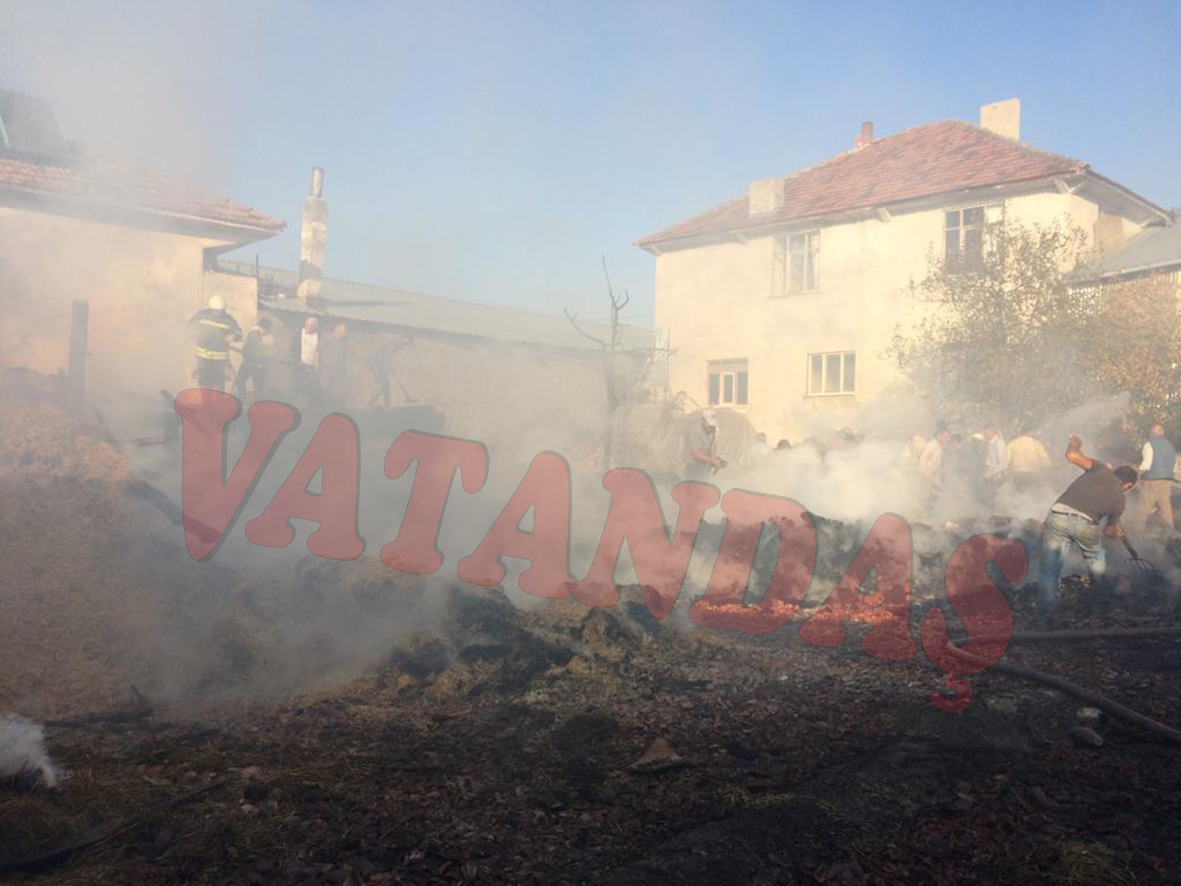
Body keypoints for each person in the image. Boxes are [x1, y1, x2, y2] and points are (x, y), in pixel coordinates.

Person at [1036, 435, 1138, 623]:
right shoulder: (1120, 500)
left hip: (1057, 515)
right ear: (1129, 485)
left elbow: (1072, 456)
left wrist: (1074, 444)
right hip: (1085, 524)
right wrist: (1118, 532)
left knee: (1049, 571)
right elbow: (1109, 532)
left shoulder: (1100, 468)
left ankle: (1044, 617)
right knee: (1096, 563)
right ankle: (1099, 606)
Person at [189, 295, 242, 395]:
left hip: (220, 359)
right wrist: (195, 334)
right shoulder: (201, 315)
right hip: (203, 357)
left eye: (220, 311)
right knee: (204, 383)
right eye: (215, 311)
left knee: (218, 383)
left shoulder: (229, 319)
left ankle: (217, 406)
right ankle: (206, 406)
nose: (218, 313)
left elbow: (239, 333)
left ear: (224, 310)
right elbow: (189, 327)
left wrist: (233, 336)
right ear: (210, 308)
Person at [1131, 423, 1177, 533]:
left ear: (1152, 432)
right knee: (1165, 508)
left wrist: (1135, 477)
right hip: (1167, 480)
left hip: (1152, 480)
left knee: (1144, 507)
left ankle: (1138, 532)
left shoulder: (1149, 444)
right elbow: (1174, 466)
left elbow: (1146, 465)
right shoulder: (1170, 445)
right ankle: (1170, 532)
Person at [235, 317, 275, 400]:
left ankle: (255, 404)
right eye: (262, 329)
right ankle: (242, 400)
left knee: (257, 386)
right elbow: (250, 348)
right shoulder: (254, 333)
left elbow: (270, 352)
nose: (263, 331)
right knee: (241, 381)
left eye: (265, 330)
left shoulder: (268, 337)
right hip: (250, 362)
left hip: (257, 364)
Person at [318, 322, 350, 406]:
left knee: (337, 393)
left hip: (339, 371)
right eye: (343, 331)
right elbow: (318, 352)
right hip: (325, 370)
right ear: (337, 330)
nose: (344, 334)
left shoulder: (345, 342)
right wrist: (316, 365)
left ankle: (332, 410)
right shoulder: (326, 337)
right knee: (323, 390)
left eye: (345, 332)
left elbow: (345, 357)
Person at [687, 410, 724, 480]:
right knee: (695, 485)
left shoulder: (713, 428)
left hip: (706, 462)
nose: (711, 427)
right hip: (692, 464)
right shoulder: (695, 431)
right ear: (703, 421)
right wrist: (712, 460)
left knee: (705, 483)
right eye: (709, 424)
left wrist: (714, 458)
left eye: (712, 425)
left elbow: (712, 443)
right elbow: (695, 453)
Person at [981, 426, 1009, 505]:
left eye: (986, 432)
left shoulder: (999, 443)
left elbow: (1003, 463)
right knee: (989, 499)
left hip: (996, 477)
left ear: (993, 432)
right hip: (988, 476)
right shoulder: (989, 443)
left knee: (996, 499)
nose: (985, 434)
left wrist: (994, 474)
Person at [299, 317, 321, 399]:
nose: (309, 327)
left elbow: (320, 350)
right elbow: (293, 347)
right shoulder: (299, 333)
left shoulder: (318, 335)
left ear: (315, 327)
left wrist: (318, 362)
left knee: (311, 388)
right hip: (301, 365)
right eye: (307, 325)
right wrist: (297, 360)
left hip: (313, 367)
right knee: (300, 387)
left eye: (312, 326)